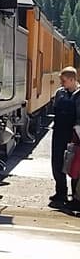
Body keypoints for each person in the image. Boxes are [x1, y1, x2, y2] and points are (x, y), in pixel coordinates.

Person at [49, 66, 80, 208]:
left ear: (73, 80)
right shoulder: (59, 93)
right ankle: (60, 192)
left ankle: (75, 197)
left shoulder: (79, 95)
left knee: (74, 165)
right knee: (57, 163)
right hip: (59, 132)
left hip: (73, 134)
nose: (62, 83)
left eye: (64, 81)